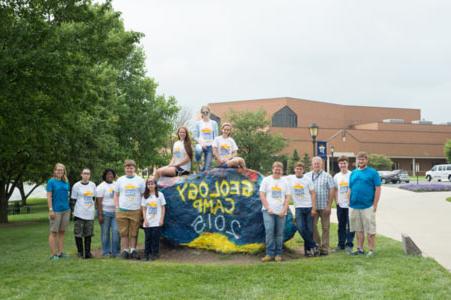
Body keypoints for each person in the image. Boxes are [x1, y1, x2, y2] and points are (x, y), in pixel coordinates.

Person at [349, 152, 381, 257]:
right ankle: (360, 249)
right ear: (356, 161)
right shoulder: (353, 173)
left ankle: (371, 250)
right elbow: (350, 188)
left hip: (367, 206)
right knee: (358, 230)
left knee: (370, 230)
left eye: (363, 159)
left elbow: (378, 189)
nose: (361, 161)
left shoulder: (373, 173)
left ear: (366, 160)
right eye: (359, 159)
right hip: (354, 206)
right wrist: (349, 200)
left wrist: (375, 204)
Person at [259, 161, 291, 262]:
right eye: (276, 169)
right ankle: (269, 254)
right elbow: (262, 195)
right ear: (272, 169)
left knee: (279, 233)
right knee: (269, 231)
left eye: (279, 169)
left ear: (282, 171)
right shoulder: (266, 180)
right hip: (268, 211)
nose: (277, 171)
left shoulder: (285, 181)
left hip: (281, 212)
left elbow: (287, 197)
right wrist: (268, 208)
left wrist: (284, 209)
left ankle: (278, 254)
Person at [114, 159, 145, 259]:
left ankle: (133, 250)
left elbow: (143, 195)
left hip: (135, 209)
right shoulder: (120, 180)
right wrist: (117, 207)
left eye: (131, 167)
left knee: (134, 232)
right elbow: (116, 194)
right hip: (122, 209)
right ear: (125, 169)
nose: (129, 169)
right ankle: (125, 251)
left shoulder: (140, 180)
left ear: (134, 168)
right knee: (123, 232)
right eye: (127, 167)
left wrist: (141, 209)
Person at [287, 161, 318, 257]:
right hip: (298, 208)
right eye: (297, 169)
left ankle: (308, 251)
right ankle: (314, 245)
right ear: (294, 169)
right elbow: (277, 177)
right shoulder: (290, 178)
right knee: (300, 227)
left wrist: (313, 208)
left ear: (303, 170)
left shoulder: (307, 179)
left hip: (308, 207)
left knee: (309, 230)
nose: (298, 170)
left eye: (300, 169)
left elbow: (313, 193)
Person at [305, 156, 335, 256]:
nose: (316, 165)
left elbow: (332, 190)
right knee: (312, 226)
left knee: (325, 228)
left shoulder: (327, 176)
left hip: (324, 206)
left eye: (318, 163)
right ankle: (317, 245)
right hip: (312, 207)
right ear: (312, 165)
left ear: (321, 164)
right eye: (315, 163)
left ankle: (325, 248)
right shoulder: (307, 176)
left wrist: (329, 206)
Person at [46, 163, 71, 260]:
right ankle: (53, 255)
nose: (60, 171)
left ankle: (60, 253)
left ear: (64, 171)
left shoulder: (66, 181)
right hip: (55, 211)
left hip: (66, 210)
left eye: (62, 170)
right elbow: (49, 196)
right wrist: (51, 210)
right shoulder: (51, 181)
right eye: (58, 169)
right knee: (53, 232)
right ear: (55, 171)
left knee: (62, 232)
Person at [71, 168, 97, 259]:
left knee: (88, 234)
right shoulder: (76, 185)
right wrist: (73, 212)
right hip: (79, 213)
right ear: (81, 174)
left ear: (90, 175)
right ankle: (80, 252)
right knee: (78, 233)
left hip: (89, 213)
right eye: (84, 173)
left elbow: (94, 198)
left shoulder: (93, 185)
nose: (86, 175)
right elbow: (73, 199)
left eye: (88, 174)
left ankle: (88, 252)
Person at [96, 169, 120, 257]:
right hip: (105, 213)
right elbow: (98, 202)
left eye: (111, 174)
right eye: (108, 174)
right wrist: (100, 214)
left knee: (116, 232)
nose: (110, 176)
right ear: (104, 176)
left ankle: (115, 252)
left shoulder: (117, 185)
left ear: (114, 176)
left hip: (116, 213)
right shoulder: (101, 187)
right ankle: (106, 251)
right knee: (105, 233)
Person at [333, 155, 355, 254]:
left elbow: (354, 188)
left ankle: (349, 245)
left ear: (348, 164)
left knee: (350, 226)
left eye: (344, 163)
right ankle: (341, 244)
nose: (342, 165)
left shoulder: (352, 174)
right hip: (340, 205)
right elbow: (335, 190)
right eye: (341, 163)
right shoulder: (336, 176)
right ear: (338, 165)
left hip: (350, 205)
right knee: (341, 225)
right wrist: (336, 201)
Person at [141, 177, 166, 261]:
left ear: (155, 185)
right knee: (148, 238)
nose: (150, 185)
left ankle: (154, 254)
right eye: (149, 184)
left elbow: (163, 207)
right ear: (147, 185)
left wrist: (161, 219)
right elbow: (144, 209)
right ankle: (146, 254)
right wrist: (145, 220)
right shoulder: (145, 196)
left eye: (152, 183)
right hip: (148, 221)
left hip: (157, 222)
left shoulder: (160, 195)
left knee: (155, 238)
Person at [193, 106, 219, 171]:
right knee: (198, 150)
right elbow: (194, 136)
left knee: (207, 167)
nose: (205, 113)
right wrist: (201, 143)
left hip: (210, 146)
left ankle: (204, 170)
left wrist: (214, 146)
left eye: (206, 112)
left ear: (209, 113)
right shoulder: (198, 123)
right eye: (203, 112)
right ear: (201, 113)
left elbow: (216, 136)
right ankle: (198, 162)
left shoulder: (214, 123)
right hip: (201, 145)